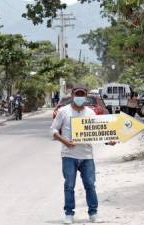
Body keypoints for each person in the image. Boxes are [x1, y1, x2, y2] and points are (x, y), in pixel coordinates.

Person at [51, 84, 116, 224]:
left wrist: (108, 141)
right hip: (69, 155)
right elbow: (53, 131)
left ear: (85, 96)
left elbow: (98, 133)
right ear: (73, 95)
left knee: (90, 185)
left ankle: (93, 213)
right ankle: (69, 213)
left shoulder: (91, 113)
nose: (79, 97)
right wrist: (65, 141)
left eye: (82, 94)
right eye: (77, 94)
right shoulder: (63, 111)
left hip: (87, 156)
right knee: (69, 185)